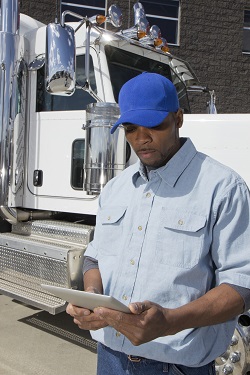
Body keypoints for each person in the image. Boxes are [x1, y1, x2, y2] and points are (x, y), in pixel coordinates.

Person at [66, 72, 250, 375]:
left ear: (178, 118)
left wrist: (170, 321)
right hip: (109, 356)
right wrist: (92, 300)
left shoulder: (223, 188)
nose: (141, 137)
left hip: (175, 365)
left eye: (154, 124)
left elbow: (241, 285)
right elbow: (94, 256)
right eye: (130, 128)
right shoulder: (116, 188)